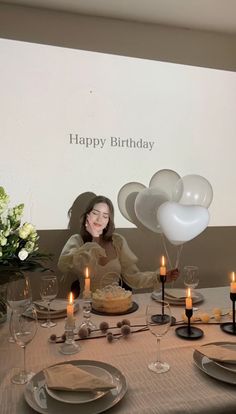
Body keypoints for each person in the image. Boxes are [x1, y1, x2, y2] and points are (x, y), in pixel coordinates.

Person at [58, 195, 179, 296]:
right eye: (95, 213)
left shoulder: (117, 241)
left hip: (115, 306)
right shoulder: (77, 241)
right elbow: (66, 266)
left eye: (105, 216)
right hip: (87, 307)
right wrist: (93, 241)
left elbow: (134, 278)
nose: (99, 219)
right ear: (87, 216)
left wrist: (159, 277)